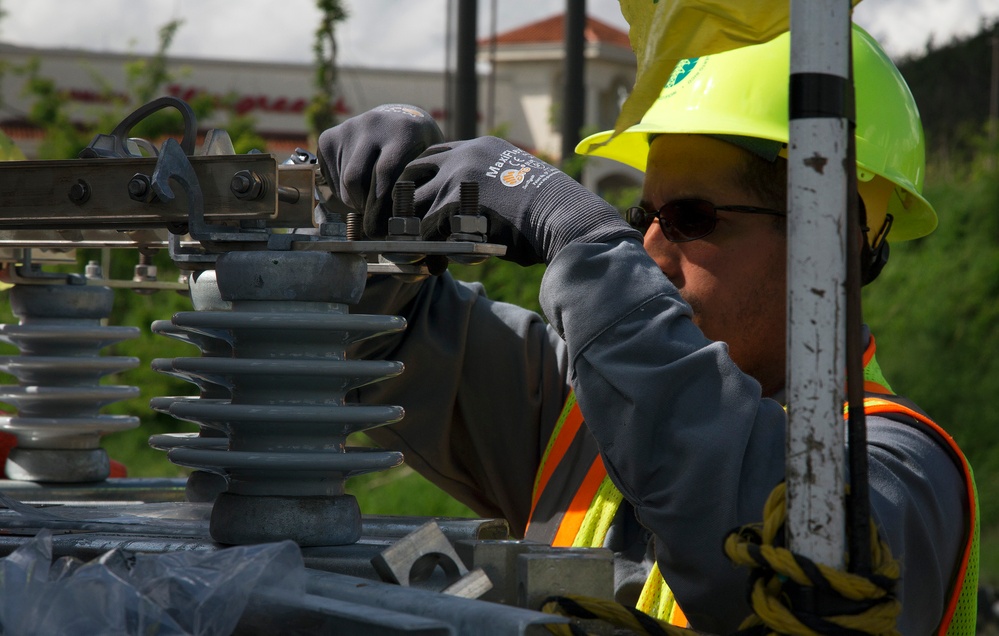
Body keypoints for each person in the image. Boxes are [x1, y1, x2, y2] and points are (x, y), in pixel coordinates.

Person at [317, 25, 977, 633]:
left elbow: (784, 565)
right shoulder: (577, 407)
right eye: (643, 217)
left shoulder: (902, 470)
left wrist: (581, 237)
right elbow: (370, 342)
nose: (651, 254)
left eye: (690, 218)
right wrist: (369, 214)